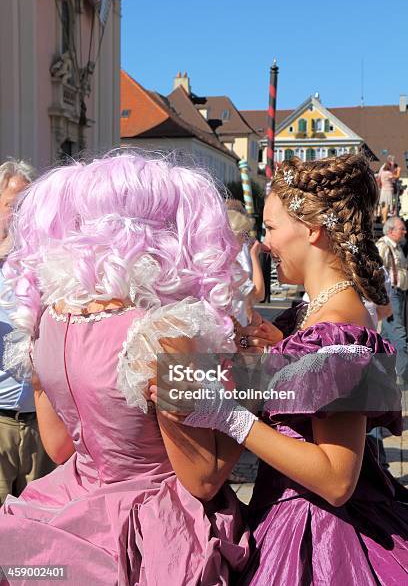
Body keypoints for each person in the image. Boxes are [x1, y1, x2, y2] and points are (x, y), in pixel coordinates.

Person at [152, 154, 408, 585]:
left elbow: (336, 479)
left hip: (323, 534)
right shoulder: (310, 315)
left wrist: (226, 417)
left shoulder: (338, 330)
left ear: (311, 230)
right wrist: (273, 350)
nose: (264, 244)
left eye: (270, 228)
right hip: (290, 511)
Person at [0, 153, 250, 585]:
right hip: (153, 531)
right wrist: (252, 397)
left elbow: (60, 448)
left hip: (69, 510)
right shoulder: (166, 330)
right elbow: (201, 479)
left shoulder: (49, 318)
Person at [0, 159, 53, 506]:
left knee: (41, 531)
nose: (19, 215)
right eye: (11, 205)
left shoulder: (48, 262)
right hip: (0, 423)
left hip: (44, 423)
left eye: (25, 206)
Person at [377, 216, 408, 385]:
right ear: (390, 231)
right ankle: (403, 376)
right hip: (391, 296)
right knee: (400, 336)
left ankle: (377, 372)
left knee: (386, 338)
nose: (404, 231)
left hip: (399, 296)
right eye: (401, 229)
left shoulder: (397, 247)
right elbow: (376, 271)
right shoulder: (383, 246)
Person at [226, 203, 265, 325]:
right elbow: (259, 295)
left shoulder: (216, 263)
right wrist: (255, 256)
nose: (245, 240)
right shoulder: (230, 267)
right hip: (234, 334)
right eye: (243, 234)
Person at [377, 156, 398, 223]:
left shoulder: (382, 173)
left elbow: (379, 179)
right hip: (388, 191)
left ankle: (383, 218)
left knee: (383, 205)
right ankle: (385, 220)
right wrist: (398, 170)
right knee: (387, 205)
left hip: (383, 190)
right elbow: (396, 177)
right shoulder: (389, 174)